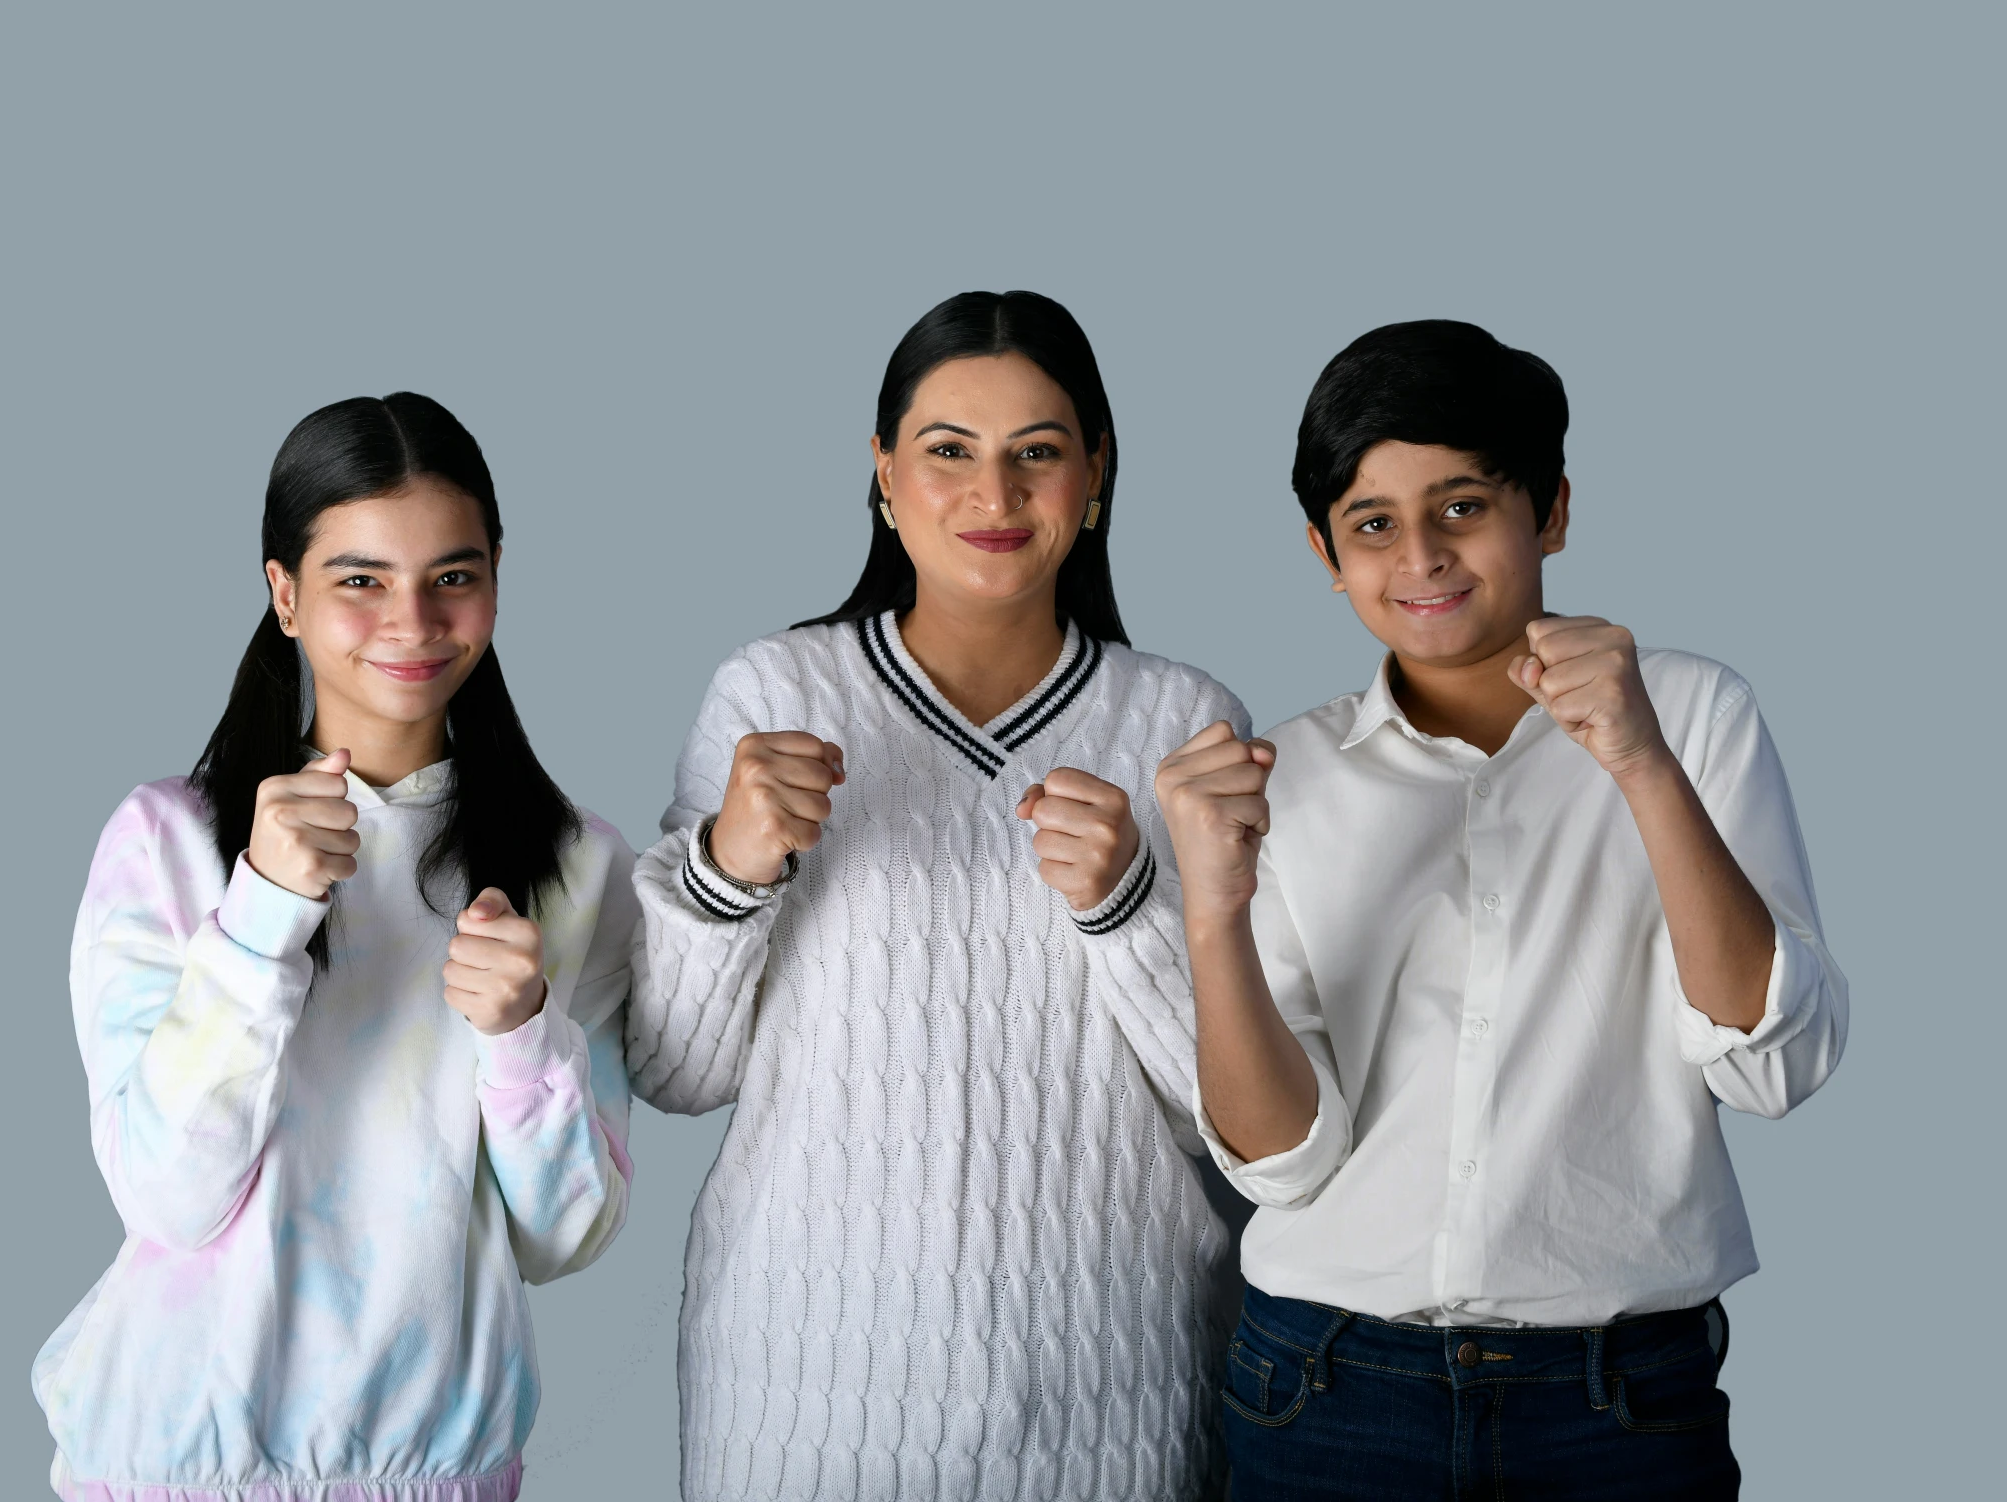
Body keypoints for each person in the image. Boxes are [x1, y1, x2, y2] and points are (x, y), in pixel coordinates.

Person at [1155, 321, 1850, 1500]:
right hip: (1325, 1383)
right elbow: (1280, 1159)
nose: (1420, 554)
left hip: (1614, 1400)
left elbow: (1770, 1067)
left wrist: (1639, 764)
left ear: (1553, 510)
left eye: (1463, 504)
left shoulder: (1692, 712)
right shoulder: (1288, 777)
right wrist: (1212, 915)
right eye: (1373, 522)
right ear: (1327, 552)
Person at [627, 291, 1251, 1501]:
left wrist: (1127, 907)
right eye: (948, 451)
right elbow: (673, 1070)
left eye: (1038, 454)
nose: (994, 496)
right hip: (801, 1400)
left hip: (1113, 1391)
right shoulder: (773, 690)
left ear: (1097, 472)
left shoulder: (1183, 721)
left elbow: (1234, 1119)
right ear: (881, 470)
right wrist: (725, 869)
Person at [32, 393, 637, 1502]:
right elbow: (168, 1198)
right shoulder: (167, 840)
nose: (411, 620)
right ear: (284, 594)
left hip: (438, 1464)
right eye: (359, 579)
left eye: (452, 575)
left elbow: (562, 1240)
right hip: (172, 1460)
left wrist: (522, 1036)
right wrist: (259, 913)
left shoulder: (574, 864)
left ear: (496, 576)